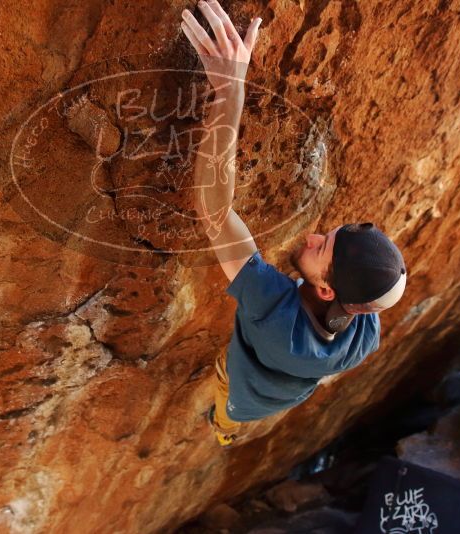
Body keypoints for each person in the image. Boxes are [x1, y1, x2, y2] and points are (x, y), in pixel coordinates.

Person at [180, 2, 407, 447]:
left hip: (241, 392)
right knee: (244, 409)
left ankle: (223, 428)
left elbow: (214, 214)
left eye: (320, 248)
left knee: (227, 408)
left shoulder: (272, 311)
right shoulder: (363, 334)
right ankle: (231, 426)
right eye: (329, 234)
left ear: (326, 290)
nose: (310, 236)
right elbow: (377, 292)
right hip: (280, 393)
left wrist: (231, 90)